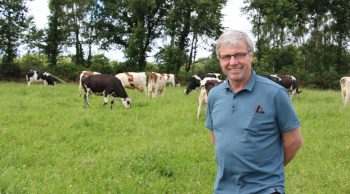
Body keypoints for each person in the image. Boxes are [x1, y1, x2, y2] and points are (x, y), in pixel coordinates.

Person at [205, 30, 304, 194]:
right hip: (224, 188)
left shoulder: (275, 93)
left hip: (265, 189)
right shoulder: (215, 94)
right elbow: (216, 134)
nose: (233, 62)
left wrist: (268, 170)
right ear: (220, 60)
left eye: (239, 55)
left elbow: (294, 141)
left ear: (251, 55)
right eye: (226, 57)